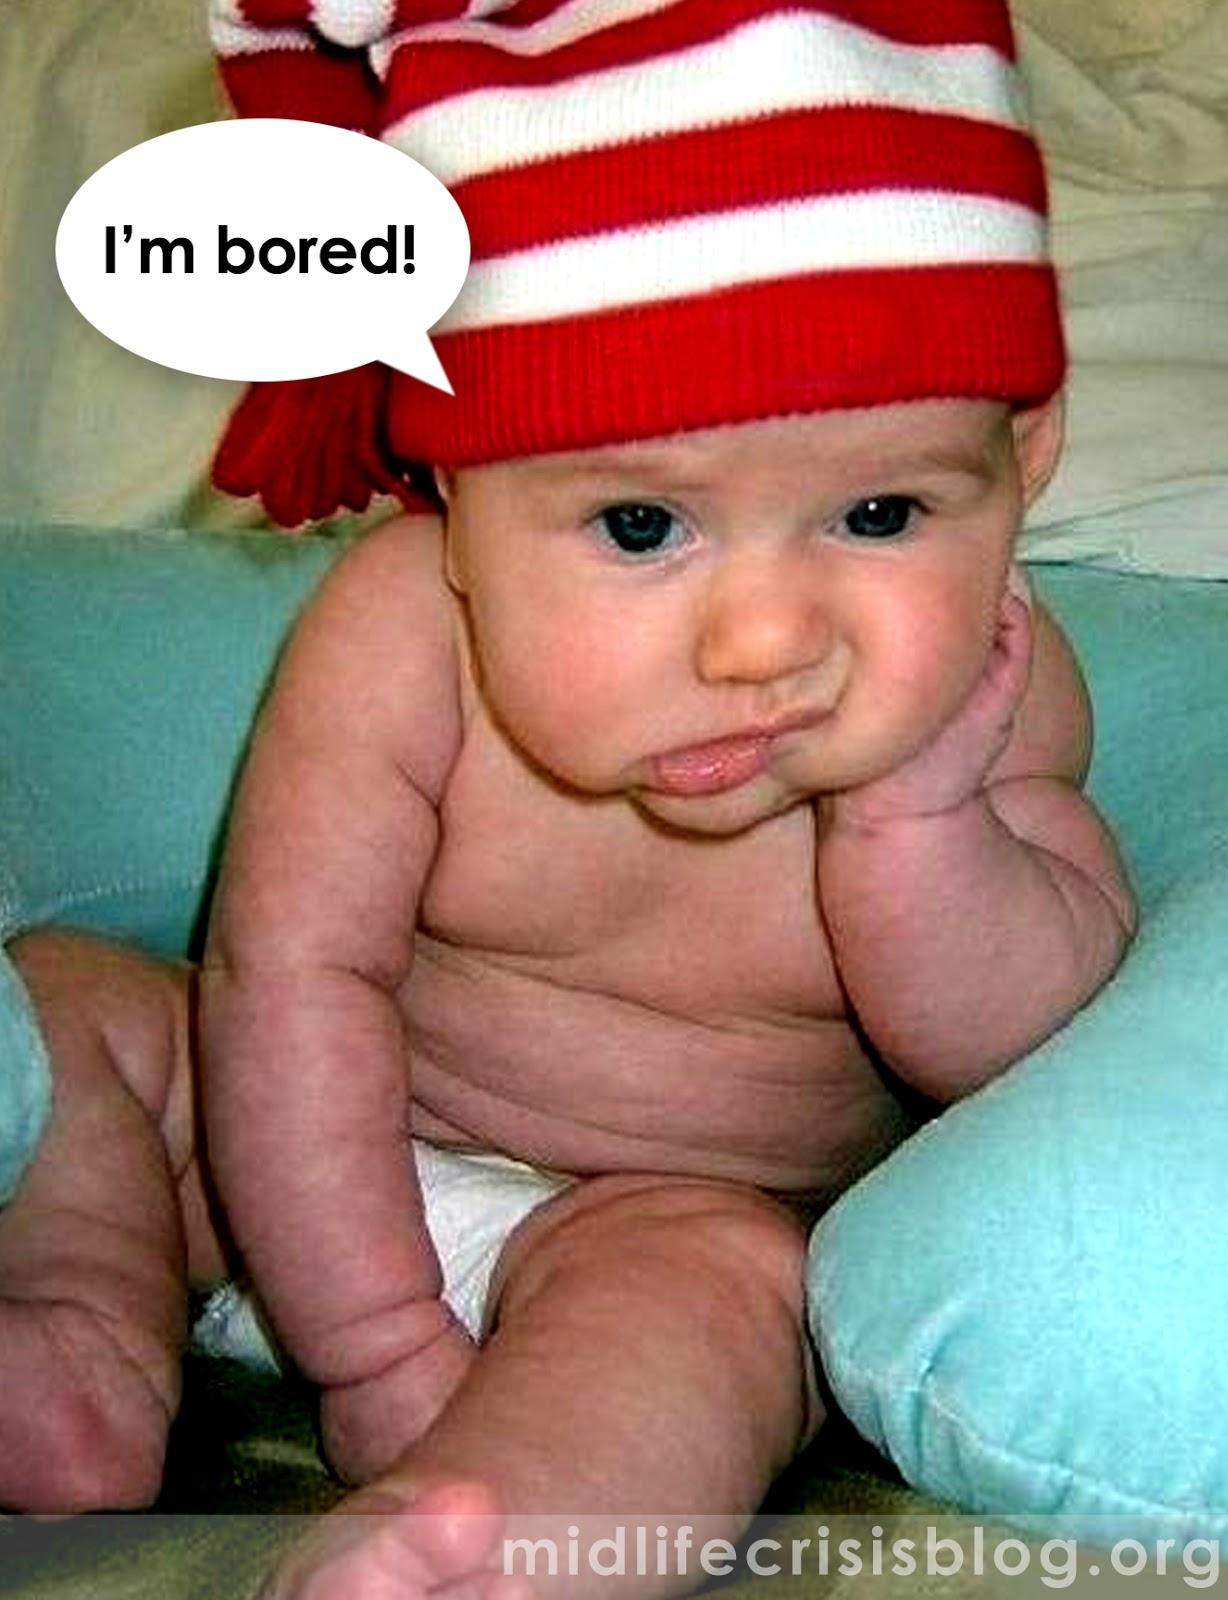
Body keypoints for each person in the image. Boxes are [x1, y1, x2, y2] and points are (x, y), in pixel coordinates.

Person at [0, 1, 1136, 1594]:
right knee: (68, 1007)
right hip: (270, 1145)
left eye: (881, 513)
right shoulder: (401, 635)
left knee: (732, 1288)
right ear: (452, 495)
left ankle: (490, 1542)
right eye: (639, 528)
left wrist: (921, 826)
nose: (766, 642)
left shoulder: (995, 689)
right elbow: (291, 975)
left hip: (637, 1230)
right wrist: (372, 1337)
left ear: (1023, 458)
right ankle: (74, 1326)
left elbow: (1026, 1050)